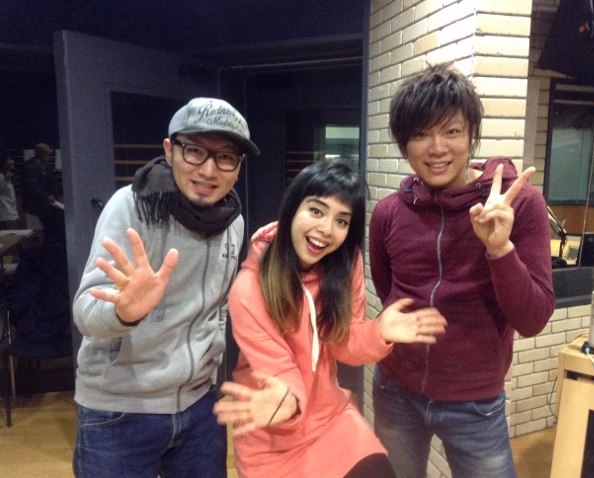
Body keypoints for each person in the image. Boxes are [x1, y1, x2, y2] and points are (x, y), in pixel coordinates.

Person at [369, 63, 555, 478]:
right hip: (395, 388)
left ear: (471, 135)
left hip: (475, 402)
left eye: (451, 131)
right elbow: (388, 291)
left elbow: (533, 320)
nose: (437, 148)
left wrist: (499, 249)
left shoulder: (519, 206)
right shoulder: (388, 213)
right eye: (421, 134)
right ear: (403, 144)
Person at [213, 160, 447, 478]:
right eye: (316, 211)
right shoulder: (249, 289)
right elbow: (280, 370)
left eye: (341, 220)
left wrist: (379, 332)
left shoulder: (345, 263)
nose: (326, 229)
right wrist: (285, 401)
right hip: (273, 432)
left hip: (330, 420)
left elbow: (344, 342)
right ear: (292, 209)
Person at [72, 97, 260, 478]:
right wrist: (124, 312)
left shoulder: (233, 222)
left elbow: (218, 307)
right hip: (120, 410)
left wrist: (211, 367)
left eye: (226, 157)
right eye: (195, 151)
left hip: (200, 406)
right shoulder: (133, 207)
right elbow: (85, 312)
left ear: (238, 166)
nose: (209, 169)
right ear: (170, 150)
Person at [0, 151, 19, 229]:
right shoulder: (0, 177)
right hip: (4, 216)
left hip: (10, 214)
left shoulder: (7, 176)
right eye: (9, 159)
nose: (13, 161)